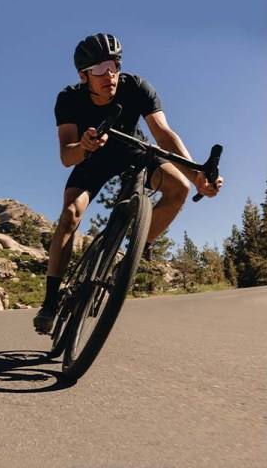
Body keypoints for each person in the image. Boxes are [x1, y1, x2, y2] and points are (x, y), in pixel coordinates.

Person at [33, 33, 223, 334]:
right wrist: (84, 146)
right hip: (91, 158)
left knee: (180, 189)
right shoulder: (68, 98)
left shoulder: (136, 87)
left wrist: (197, 175)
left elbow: (164, 135)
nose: (108, 74)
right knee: (70, 214)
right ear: (84, 75)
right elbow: (66, 156)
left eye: (112, 65)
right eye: (98, 69)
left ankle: (132, 255)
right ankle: (50, 301)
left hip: (133, 151)